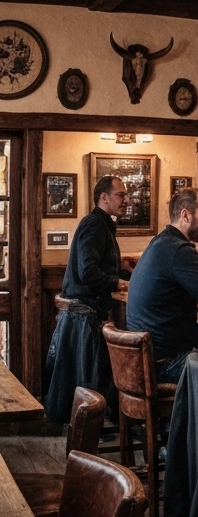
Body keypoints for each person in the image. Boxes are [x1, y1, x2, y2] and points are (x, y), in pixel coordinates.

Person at [43, 175, 131, 424]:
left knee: (92, 383)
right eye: (120, 195)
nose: (125, 199)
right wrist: (120, 282)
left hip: (86, 315)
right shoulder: (94, 225)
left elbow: (103, 267)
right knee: (88, 385)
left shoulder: (103, 226)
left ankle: (90, 432)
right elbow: (88, 272)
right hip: (84, 316)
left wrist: (128, 273)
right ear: (104, 197)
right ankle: (87, 438)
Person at [127, 187, 198, 383]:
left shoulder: (161, 242)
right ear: (185, 215)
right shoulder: (180, 250)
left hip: (146, 358)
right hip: (166, 363)